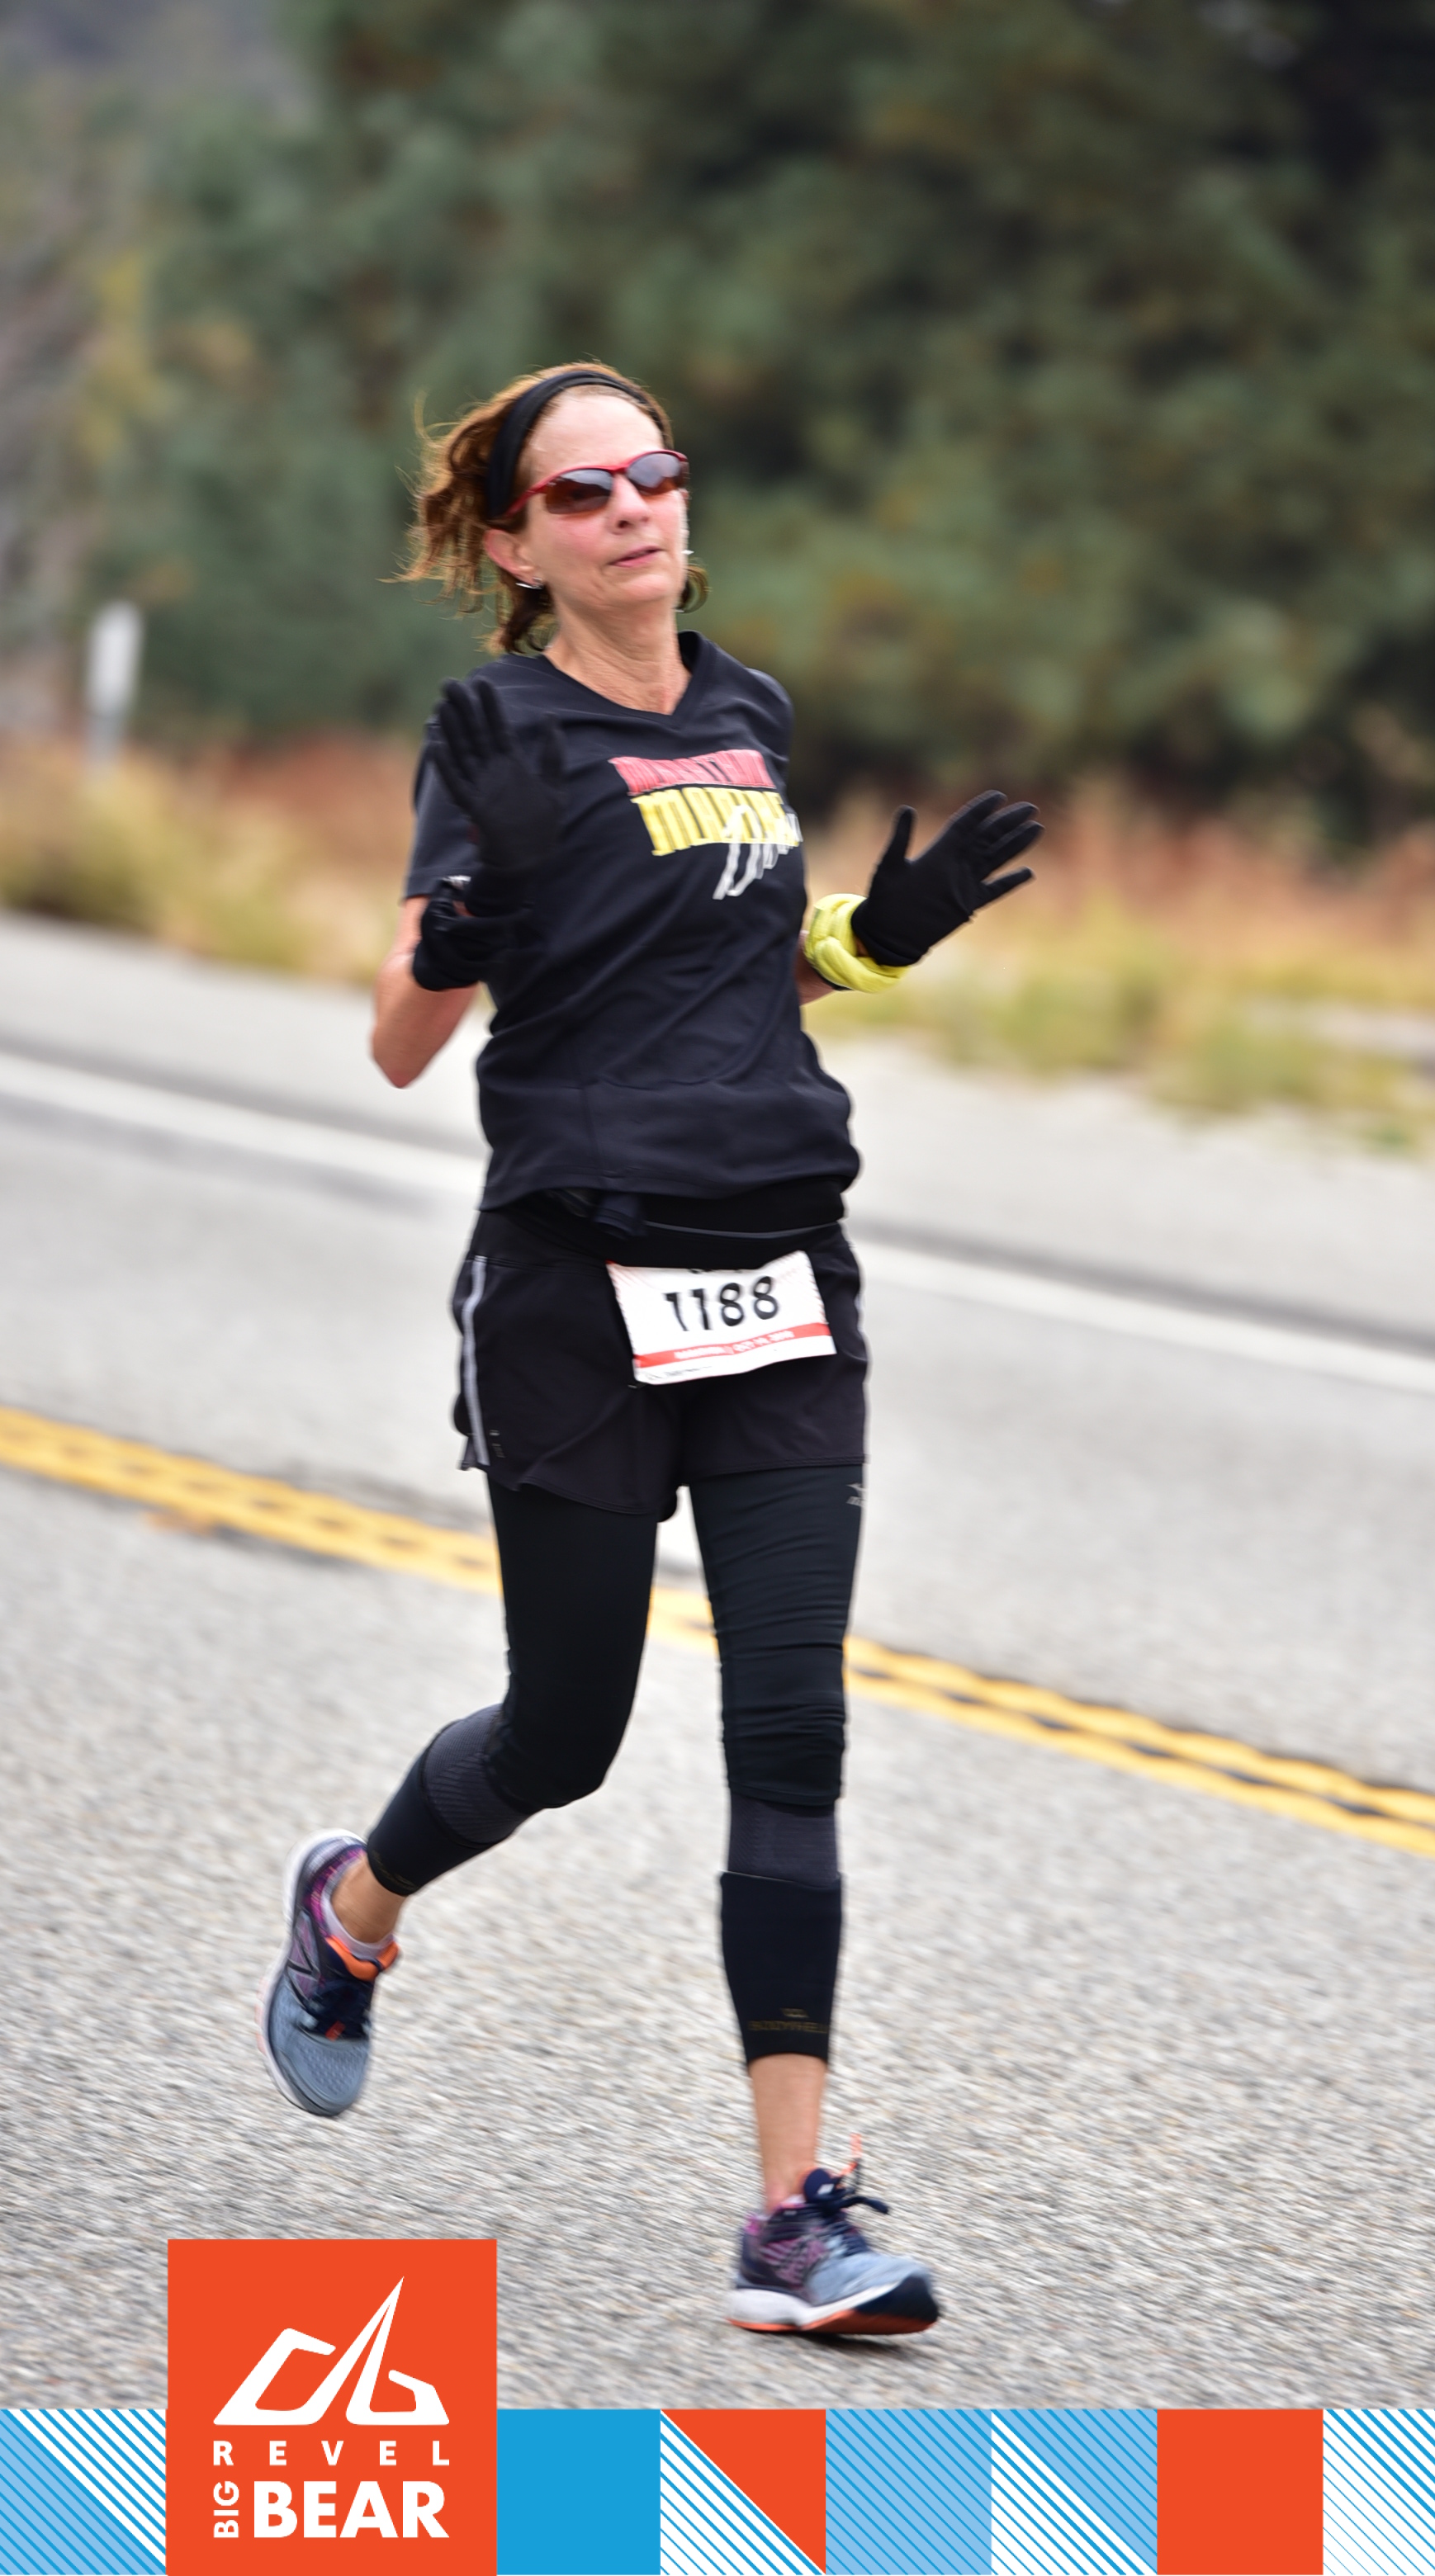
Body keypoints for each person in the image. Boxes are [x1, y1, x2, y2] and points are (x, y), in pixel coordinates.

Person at [258, 361, 1039, 2337]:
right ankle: (353, 1906)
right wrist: (455, 941)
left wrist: (878, 935)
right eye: (582, 491)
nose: (633, 510)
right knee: (565, 1733)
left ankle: (793, 2212)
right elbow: (403, 1035)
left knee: (791, 1734)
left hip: (775, 1275)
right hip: (572, 1296)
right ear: (514, 543)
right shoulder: (496, 731)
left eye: (655, 475)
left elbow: (734, 965)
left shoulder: (743, 711)